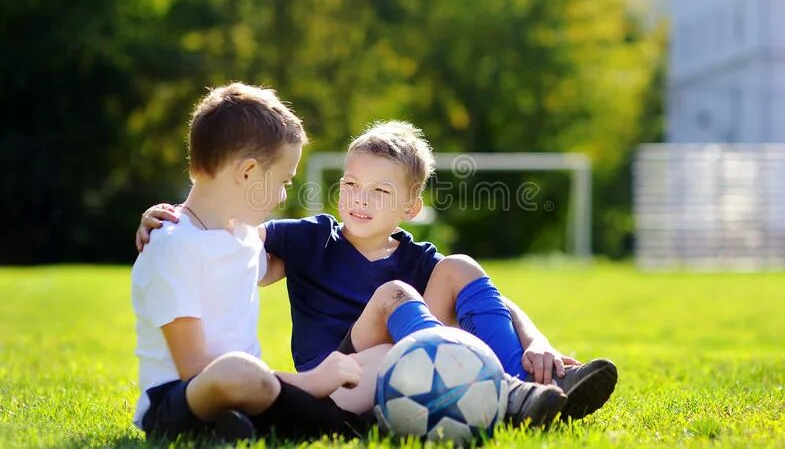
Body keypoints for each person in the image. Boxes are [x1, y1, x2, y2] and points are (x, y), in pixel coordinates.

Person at [138, 121, 616, 425]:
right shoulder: (309, 238)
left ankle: (531, 389)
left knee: (460, 268)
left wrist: (536, 341)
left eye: (379, 192)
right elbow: (231, 235)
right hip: (335, 380)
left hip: (397, 369)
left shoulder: (416, 258)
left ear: (411, 205)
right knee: (395, 294)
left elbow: (494, 301)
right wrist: (169, 215)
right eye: (350, 184)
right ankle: (508, 394)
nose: (359, 199)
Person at [131, 85, 449, 442]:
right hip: (181, 399)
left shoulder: (244, 238)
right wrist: (309, 381)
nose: (284, 195)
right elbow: (195, 369)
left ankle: (363, 419)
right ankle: (316, 413)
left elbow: (281, 265)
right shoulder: (172, 246)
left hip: (255, 393)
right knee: (238, 372)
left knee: (385, 356)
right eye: (283, 181)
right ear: (248, 172)